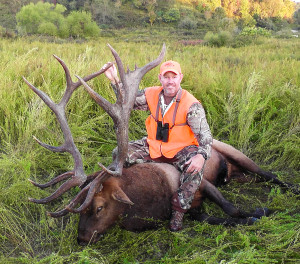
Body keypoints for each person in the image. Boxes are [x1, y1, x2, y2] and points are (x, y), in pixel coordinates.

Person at [104, 60, 212, 231]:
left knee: (195, 169)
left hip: (181, 149)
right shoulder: (152, 94)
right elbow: (127, 100)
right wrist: (114, 79)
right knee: (119, 152)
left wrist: (201, 156)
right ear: (160, 78)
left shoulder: (191, 105)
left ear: (180, 78)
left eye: (174, 77)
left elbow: (205, 136)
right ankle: (119, 192)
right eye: (166, 77)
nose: (170, 81)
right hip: (154, 145)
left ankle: (178, 213)